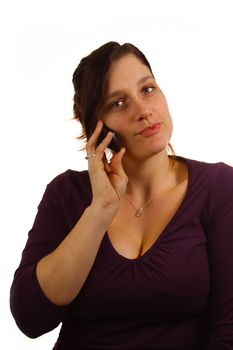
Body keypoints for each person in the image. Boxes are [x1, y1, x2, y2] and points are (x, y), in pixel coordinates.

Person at [10, 41, 233, 350]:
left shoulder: (219, 187)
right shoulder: (66, 194)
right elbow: (31, 319)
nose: (143, 110)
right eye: (118, 103)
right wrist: (100, 210)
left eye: (148, 89)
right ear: (96, 127)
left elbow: (228, 329)